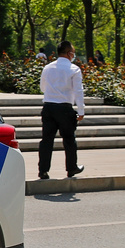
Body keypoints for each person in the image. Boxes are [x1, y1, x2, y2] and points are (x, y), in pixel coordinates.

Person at [38, 40, 86, 180]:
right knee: (69, 139)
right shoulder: (74, 69)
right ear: (69, 53)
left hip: (48, 107)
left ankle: (43, 171)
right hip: (65, 108)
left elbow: (42, 88)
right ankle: (71, 168)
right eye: (73, 52)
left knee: (46, 140)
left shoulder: (48, 68)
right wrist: (81, 110)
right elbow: (78, 91)